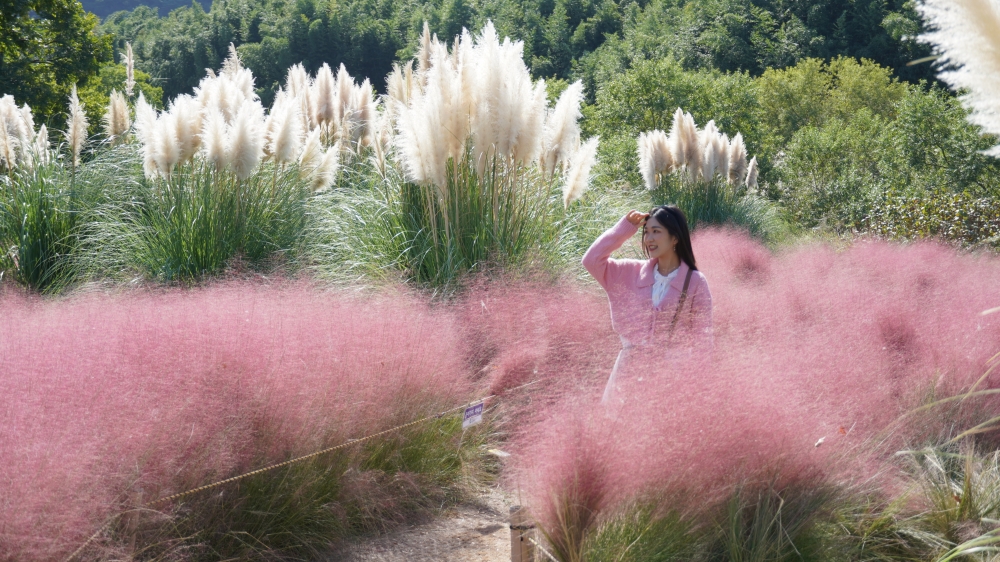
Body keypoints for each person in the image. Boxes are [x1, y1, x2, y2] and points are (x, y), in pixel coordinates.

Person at [582, 205, 713, 405]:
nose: (649, 239)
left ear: (675, 238)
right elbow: (591, 261)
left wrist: (697, 387)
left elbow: (703, 341)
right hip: (627, 377)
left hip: (672, 379)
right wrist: (623, 229)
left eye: (656, 232)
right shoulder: (627, 272)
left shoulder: (695, 281)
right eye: (647, 232)